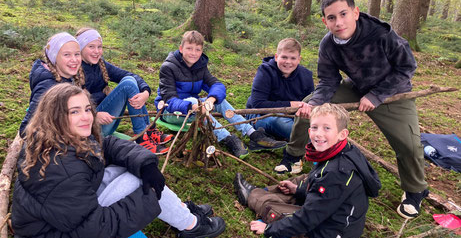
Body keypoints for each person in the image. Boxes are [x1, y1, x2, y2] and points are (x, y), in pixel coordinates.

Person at [12, 83, 226, 238]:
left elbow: (107, 145)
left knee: (134, 169)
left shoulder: (58, 137)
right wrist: (148, 199)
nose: (86, 117)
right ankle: (192, 225)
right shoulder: (61, 169)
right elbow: (95, 232)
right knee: (137, 181)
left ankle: (180, 210)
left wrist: (146, 165)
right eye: (74, 112)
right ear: (55, 117)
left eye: (87, 109)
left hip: (65, 226)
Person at [276, 0, 429, 219]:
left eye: (343, 14)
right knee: (308, 107)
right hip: (357, 87)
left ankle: (416, 189)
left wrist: (377, 95)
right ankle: (293, 156)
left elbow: (406, 67)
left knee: (409, 144)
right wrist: (315, 102)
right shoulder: (328, 44)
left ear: (355, 12)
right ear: (325, 21)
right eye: (331, 17)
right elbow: (328, 81)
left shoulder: (382, 34)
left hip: (392, 92)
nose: (339, 22)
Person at [234, 104, 381, 238]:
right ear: (309, 130)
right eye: (315, 128)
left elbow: (308, 218)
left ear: (342, 134)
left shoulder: (336, 173)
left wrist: (269, 229)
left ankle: (253, 196)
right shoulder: (346, 150)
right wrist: (298, 190)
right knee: (303, 180)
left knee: (271, 207)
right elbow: (325, 192)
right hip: (339, 221)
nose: (318, 134)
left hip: (322, 237)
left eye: (327, 128)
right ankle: (263, 192)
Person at [155, 30, 286, 158]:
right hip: (171, 113)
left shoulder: (199, 66)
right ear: (181, 48)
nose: (193, 53)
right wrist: (193, 106)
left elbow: (217, 85)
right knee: (195, 102)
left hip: (194, 109)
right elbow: (170, 101)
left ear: (201, 51)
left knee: (220, 101)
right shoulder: (168, 67)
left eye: (197, 50)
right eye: (189, 48)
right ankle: (228, 139)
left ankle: (253, 134)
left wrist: (211, 99)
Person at [75, 28, 172, 155]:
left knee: (129, 80)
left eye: (99, 47)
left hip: (106, 120)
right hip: (92, 127)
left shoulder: (100, 64)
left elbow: (129, 75)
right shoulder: (73, 69)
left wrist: (145, 92)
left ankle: (148, 130)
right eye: (91, 47)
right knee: (128, 85)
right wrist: (94, 115)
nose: (97, 51)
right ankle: (141, 137)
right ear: (80, 48)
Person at [246, 38, 314, 140]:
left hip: (293, 116)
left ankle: (309, 137)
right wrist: (290, 104)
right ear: (276, 57)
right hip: (261, 115)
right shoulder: (265, 71)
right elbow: (258, 104)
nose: (288, 62)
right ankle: (311, 141)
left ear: (299, 59)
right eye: (284, 57)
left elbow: (310, 102)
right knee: (279, 122)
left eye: (293, 58)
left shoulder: (306, 75)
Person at [19, 32, 84, 137]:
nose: (74, 60)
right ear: (54, 57)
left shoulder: (67, 78)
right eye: (67, 55)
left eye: (77, 54)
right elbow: (26, 130)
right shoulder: (48, 87)